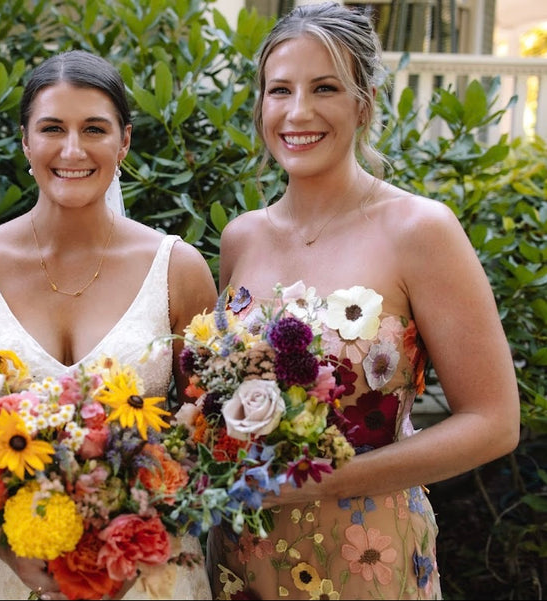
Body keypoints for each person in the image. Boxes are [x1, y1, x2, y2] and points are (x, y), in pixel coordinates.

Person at [207, 3, 520, 599]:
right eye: (280, 90)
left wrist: (326, 481)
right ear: (261, 105)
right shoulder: (241, 237)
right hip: (242, 553)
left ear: (363, 102)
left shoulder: (419, 230)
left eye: (325, 88)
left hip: (367, 552)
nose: (298, 112)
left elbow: (494, 422)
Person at [0, 49, 218, 600]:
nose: (73, 149)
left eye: (94, 129)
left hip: (143, 575)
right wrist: (11, 553)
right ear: (26, 141)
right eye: (52, 128)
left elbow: (209, 427)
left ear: (123, 142)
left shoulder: (179, 269)